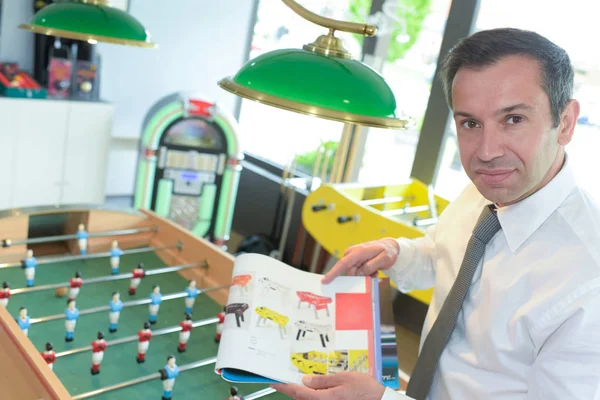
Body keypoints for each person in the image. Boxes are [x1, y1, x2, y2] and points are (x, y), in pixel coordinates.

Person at [272, 28, 600, 400]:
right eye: (470, 124)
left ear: (567, 122)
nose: (487, 151)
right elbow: (444, 258)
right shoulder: (487, 190)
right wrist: (397, 253)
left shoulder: (590, 281)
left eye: (513, 119)